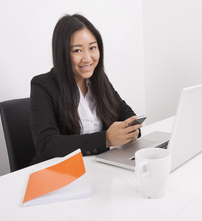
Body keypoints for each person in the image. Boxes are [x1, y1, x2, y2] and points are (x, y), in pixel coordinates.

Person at [29, 14, 142, 164]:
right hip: (61, 173)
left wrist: (132, 131)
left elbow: (126, 113)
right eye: (77, 50)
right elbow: (47, 145)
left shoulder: (99, 80)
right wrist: (106, 139)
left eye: (92, 48)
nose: (88, 58)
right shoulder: (42, 85)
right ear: (62, 53)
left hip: (99, 167)